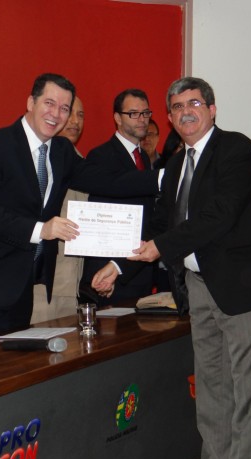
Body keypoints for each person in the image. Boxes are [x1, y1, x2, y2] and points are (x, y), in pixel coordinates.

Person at [92, 77, 251, 459]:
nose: (185, 112)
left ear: (212, 109)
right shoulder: (175, 164)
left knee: (249, 392)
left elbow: (220, 215)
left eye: (193, 103)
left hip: (243, 288)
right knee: (211, 389)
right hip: (197, 287)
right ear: (170, 118)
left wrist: (161, 246)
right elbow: (161, 225)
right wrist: (117, 264)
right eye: (177, 107)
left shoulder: (237, 149)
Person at [0, 74, 159, 339]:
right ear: (30, 103)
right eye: (49, 103)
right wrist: (42, 230)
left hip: (23, 290)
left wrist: (162, 179)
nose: (56, 114)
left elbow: (106, 180)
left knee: (19, 364)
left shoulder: (61, 151)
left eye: (64, 108)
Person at [79, 89, 157, 306]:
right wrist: (106, 272)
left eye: (146, 113)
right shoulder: (101, 156)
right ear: (117, 118)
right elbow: (98, 219)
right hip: (111, 275)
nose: (142, 119)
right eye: (133, 113)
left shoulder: (143, 157)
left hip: (139, 266)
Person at [31, 96, 88, 323]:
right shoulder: (39, 160)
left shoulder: (81, 161)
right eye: (69, 112)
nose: (75, 121)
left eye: (80, 115)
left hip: (71, 281)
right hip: (42, 282)